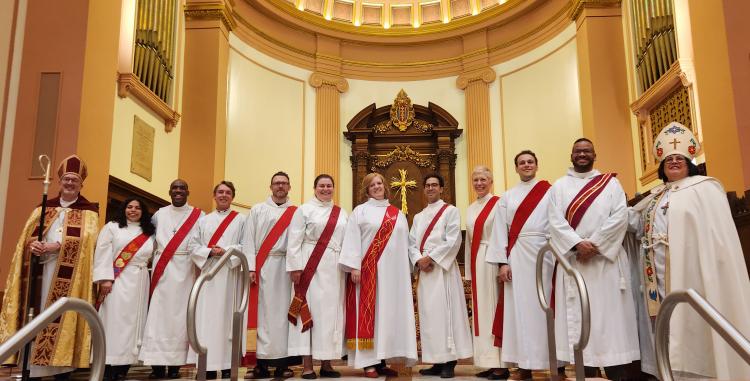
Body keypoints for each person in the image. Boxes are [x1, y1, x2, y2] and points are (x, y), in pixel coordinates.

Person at [628, 122, 750, 379]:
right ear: (661, 166)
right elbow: (636, 223)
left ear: (689, 162)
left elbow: (716, 238)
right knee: (667, 324)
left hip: (693, 271)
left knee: (694, 323)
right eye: (668, 159)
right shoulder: (656, 195)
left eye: (679, 158)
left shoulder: (704, 188)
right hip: (658, 277)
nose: (673, 161)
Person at [547, 138, 639, 380]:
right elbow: (555, 222)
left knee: (610, 319)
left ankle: (616, 370)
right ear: (571, 155)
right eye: (578, 151)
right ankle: (584, 370)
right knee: (582, 317)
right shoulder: (558, 187)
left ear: (594, 155)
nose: (582, 154)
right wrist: (577, 244)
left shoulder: (611, 184)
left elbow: (619, 217)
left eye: (587, 151)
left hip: (605, 264)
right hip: (575, 263)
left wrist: (595, 244)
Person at [0, 155, 99, 379]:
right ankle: (30, 366)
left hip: (67, 276)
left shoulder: (89, 212)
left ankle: (61, 367)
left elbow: (88, 242)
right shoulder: (43, 209)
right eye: (66, 179)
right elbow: (25, 238)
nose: (70, 183)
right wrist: (32, 244)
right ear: (60, 181)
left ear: (81, 184)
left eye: (74, 180)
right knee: (37, 314)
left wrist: (59, 245)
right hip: (41, 273)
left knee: (60, 315)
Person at [339, 172, 417, 377]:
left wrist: (409, 269)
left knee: (387, 315)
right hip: (368, 271)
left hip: (394, 276)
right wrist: (354, 266)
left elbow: (406, 243)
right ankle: (368, 362)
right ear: (366, 189)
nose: (376, 186)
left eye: (379, 183)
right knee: (369, 315)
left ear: (385, 186)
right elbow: (352, 239)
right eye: (372, 184)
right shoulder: (360, 212)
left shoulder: (397, 213)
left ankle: (382, 358)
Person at [486, 151, 554, 380]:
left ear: (537, 165)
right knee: (520, 309)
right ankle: (524, 364)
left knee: (546, 306)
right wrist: (502, 263)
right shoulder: (508, 196)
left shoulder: (550, 191)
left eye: (530, 162)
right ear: (516, 168)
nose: (526, 165)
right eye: (522, 163)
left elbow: (558, 222)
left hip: (545, 255)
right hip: (518, 254)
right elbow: (499, 231)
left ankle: (556, 363)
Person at [409, 173, 472, 378]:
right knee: (429, 315)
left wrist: (431, 258)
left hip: (443, 271)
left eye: (434, 185)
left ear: (442, 188)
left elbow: (453, 240)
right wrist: (419, 259)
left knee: (447, 314)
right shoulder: (418, 217)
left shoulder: (451, 211)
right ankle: (435, 360)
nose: (430, 188)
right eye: (427, 185)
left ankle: (449, 361)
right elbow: (411, 243)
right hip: (426, 273)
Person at [140, 179, 203, 379]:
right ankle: (156, 365)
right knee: (158, 316)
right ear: (169, 191)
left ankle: (176, 365)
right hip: (162, 269)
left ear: (188, 192)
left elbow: (202, 242)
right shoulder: (159, 214)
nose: (178, 191)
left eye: (182, 188)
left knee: (180, 316)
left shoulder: (198, 215)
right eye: (175, 188)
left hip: (185, 269)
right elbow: (147, 239)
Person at [286, 174, 348, 379]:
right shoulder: (303, 210)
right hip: (309, 267)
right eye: (321, 186)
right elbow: (294, 240)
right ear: (314, 188)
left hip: (334, 268)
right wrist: (295, 268)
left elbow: (347, 241)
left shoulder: (341, 213)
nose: (325, 189)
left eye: (329, 186)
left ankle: (327, 364)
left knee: (330, 316)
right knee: (308, 312)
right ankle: (307, 365)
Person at [243, 171, 300, 379]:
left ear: (289, 187)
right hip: (263, 267)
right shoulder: (258, 210)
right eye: (277, 183)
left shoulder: (297, 212)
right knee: (262, 315)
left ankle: (283, 364)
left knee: (286, 315)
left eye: (284, 183)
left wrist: (297, 267)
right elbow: (248, 240)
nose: (280, 186)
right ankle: (260, 364)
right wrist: (250, 267)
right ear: (271, 187)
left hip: (287, 269)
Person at [187, 181, 246, 379]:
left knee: (228, 319)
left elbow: (246, 245)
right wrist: (210, 251)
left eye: (228, 192)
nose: (223, 195)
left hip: (230, 275)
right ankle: (208, 366)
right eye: (220, 192)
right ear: (214, 196)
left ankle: (229, 364)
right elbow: (193, 246)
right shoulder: (203, 220)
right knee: (207, 319)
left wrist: (227, 251)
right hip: (209, 276)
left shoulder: (241, 220)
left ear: (233, 197)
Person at [93, 197, 156, 381]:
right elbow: (102, 252)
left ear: (143, 211)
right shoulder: (112, 227)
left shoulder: (149, 232)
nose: (133, 210)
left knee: (134, 322)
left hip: (140, 280)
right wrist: (105, 279)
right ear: (124, 209)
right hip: (117, 280)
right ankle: (108, 363)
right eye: (129, 207)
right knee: (114, 321)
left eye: (137, 208)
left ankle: (125, 365)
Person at [464, 166, 508, 379]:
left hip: (493, 259)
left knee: (494, 308)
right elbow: (469, 241)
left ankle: (502, 363)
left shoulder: (499, 203)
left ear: (491, 181)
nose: (479, 183)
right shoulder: (471, 208)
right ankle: (488, 362)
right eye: (475, 180)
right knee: (482, 312)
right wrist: (469, 271)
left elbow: (504, 234)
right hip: (477, 261)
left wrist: (503, 263)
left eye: (483, 179)